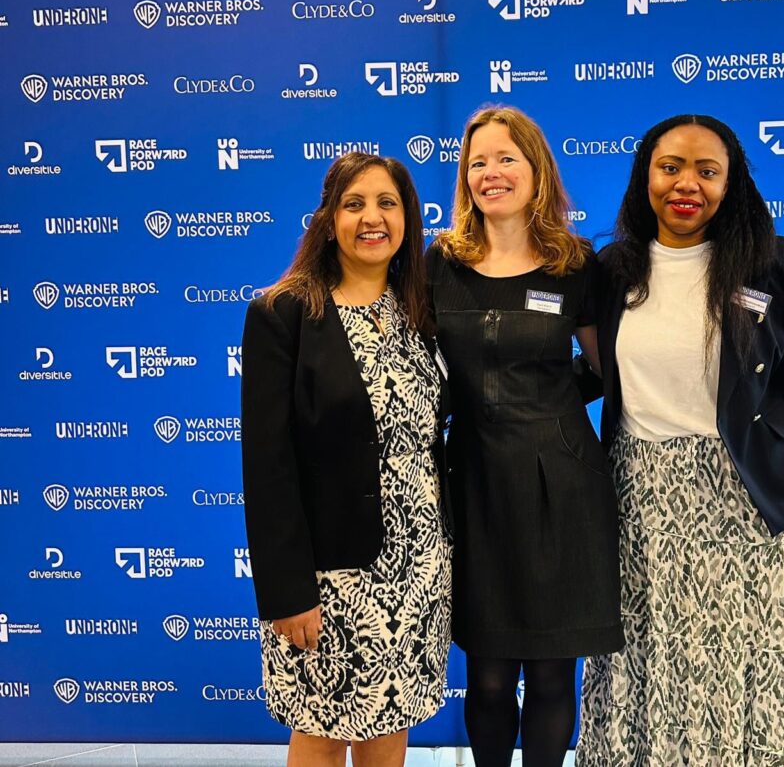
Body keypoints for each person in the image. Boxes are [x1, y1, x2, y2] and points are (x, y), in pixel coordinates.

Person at [576, 114, 784, 765]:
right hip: (642, 506)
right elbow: (585, 370)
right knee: (650, 666)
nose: (686, 184)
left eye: (706, 170)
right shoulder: (610, 272)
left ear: (731, 182)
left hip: (749, 505)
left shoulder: (776, 267)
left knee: (756, 677)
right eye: (670, 167)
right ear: (646, 177)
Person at [426, 105, 623, 767]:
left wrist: (552, 401)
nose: (492, 172)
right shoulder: (440, 262)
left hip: (560, 485)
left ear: (537, 172)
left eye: (506, 158)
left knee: (548, 675)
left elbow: (605, 368)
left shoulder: (575, 264)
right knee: (486, 675)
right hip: (475, 482)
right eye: (478, 161)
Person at [240, 152, 452, 767]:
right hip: (331, 578)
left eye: (387, 203)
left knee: (392, 723)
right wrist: (287, 592)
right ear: (328, 219)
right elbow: (267, 466)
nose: (372, 218)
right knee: (323, 731)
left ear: (408, 219)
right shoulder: (284, 313)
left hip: (419, 568)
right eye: (354, 204)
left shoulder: (422, 311)